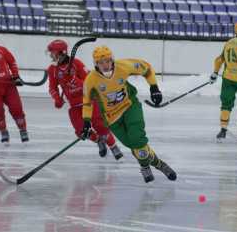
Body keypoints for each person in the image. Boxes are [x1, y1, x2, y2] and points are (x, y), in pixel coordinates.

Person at [82, 45, 177, 183]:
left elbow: (147, 68)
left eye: (108, 61)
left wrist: (154, 87)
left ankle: (146, 166)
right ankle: (158, 163)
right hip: (112, 119)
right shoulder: (91, 80)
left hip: (130, 107)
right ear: (95, 64)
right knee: (135, 146)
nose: (105, 65)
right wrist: (86, 121)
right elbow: (87, 102)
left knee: (137, 140)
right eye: (101, 63)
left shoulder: (123, 66)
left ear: (112, 59)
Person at [46, 39, 122, 160]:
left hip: (90, 101)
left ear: (61, 52)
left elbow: (91, 82)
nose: (51, 55)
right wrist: (57, 98)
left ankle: (113, 146)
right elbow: (52, 88)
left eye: (53, 53)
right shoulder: (53, 70)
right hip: (74, 106)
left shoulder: (76, 63)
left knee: (99, 125)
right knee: (81, 130)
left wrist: (75, 80)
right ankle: (99, 140)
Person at [210, 21, 237, 141]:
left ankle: (223, 130)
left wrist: (215, 72)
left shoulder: (228, 43)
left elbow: (220, 59)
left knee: (226, 104)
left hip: (228, 78)